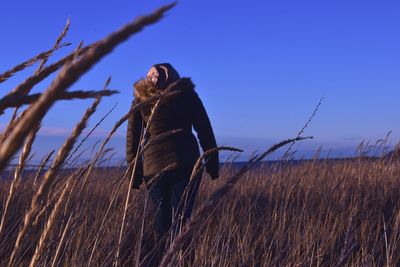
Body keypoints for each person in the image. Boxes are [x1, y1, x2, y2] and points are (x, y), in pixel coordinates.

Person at [126, 63, 219, 263]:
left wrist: (134, 175)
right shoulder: (186, 95)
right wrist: (212, 163)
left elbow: (133, 139)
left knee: (162, 224)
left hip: (154, 168)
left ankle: (164, 260)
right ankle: (182, 260)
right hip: (186, 165)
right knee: (182, 223)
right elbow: (204, 129)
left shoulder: (141, 99)